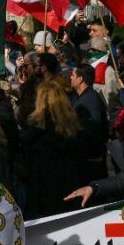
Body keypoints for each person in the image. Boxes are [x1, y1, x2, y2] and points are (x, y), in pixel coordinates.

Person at [21, 81, 82, 218]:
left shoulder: (38, 126)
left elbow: (24, 143)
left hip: (43, 186)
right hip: (68, 181)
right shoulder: (69, 123)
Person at [70, 64, 108, 182]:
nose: (70, 77)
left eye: (73, 75)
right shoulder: (82, 97)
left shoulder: (90, 100)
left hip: (90, 162)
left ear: (80, 79)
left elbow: (93, 130)